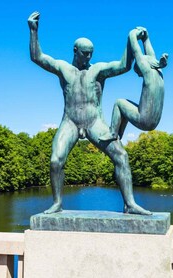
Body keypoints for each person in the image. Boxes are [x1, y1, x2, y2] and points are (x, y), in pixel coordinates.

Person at [28, 11, 151, 215]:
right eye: (85, 53)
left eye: (91, 53)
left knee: (121, 156)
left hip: (95, 122)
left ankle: (130, 204)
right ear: (75, 51)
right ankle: (57, 203)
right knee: (55, 160)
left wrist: (131, 39)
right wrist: (33, 30)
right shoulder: (63, 68)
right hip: (70, 122)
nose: (89, 57)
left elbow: (123, 66)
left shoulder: (98, 70)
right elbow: (37, 57)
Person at [99, 27, 168, 141]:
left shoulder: (148, 73)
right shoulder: (159, 72)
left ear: (143, 67)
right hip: (154, 121)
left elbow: (137, 52)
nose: (139, 75)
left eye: (138, 72)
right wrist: (146, 38)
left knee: (119, 103)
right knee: (126, 107)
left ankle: (113, 133)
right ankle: (119, 134)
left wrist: (132, 35)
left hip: (144, 120)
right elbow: (151, 56)